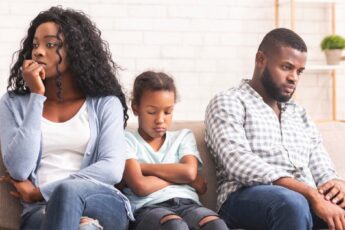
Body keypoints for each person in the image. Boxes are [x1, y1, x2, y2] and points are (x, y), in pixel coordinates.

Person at [0, 6, 133, 230]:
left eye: (50, 44)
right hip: (41, 212)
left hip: (101, 203)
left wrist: (41, 191)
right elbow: (19, 169)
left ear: (76, 51)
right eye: (35, 45)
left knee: (68, 191)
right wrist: (36, 96)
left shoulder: (105, 103)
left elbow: (111, 169)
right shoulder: (13, 103)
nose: (38, 52)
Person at [205, 28, 345, 230]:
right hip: (246, 197)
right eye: (287, 67)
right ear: (261, 60)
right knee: (292, 203)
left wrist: (335, 185)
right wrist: (310, 193)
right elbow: (237, 161)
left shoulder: (300, 113)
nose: (294, 78)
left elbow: (319, 161)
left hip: (305, 198)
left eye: (299, 71)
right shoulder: (228, 102)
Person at [120, 71, 228, 230]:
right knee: (174, 226)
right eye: (151, 112)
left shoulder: (183, 137)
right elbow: (140, 186)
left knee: (216, 225)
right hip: (148, 208)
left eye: (168, 112)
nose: (160, 120)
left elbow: (189, 173)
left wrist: (143, 168)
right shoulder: (125, 140)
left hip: (188, 204)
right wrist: (181, 177)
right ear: (135, 108)